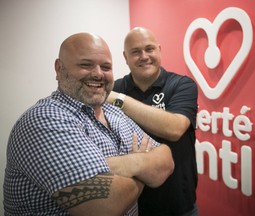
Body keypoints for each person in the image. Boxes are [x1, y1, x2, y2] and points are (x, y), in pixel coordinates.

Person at [3, 32, 174, 216]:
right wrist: (144, 170)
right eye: (85, 65)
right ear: (59, 69)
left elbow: (166, 160)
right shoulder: (45, 119)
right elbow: (105, 207)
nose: (98, 74)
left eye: (106, 67)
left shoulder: (115, 113)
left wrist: (127, 164)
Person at [107, 27, 199, 216]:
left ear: (159, 50)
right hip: (131, 205)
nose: (144, 56)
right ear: (125, 57)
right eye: (135, 51)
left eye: (149, 49)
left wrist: (120, 101)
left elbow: (174, 128)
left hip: (178, 205)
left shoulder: (182, 85)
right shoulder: (116, 88)